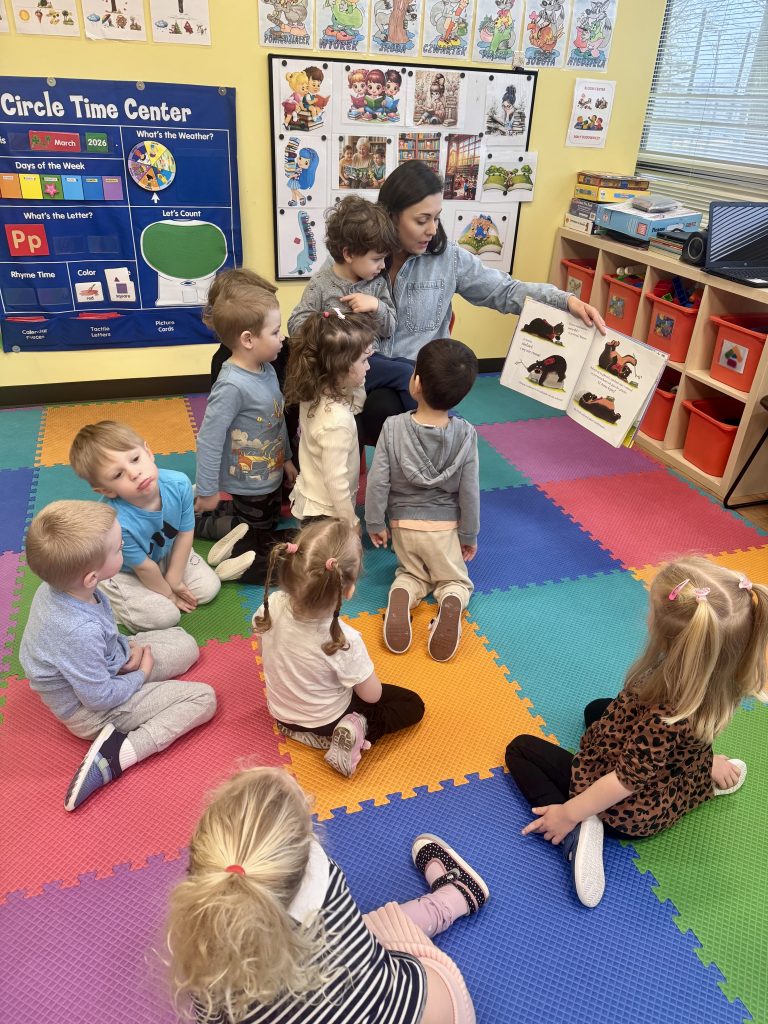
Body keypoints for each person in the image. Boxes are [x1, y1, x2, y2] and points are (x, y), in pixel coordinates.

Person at [505, 557, 767, 908]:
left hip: (627, 813)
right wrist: (708, 764)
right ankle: (701, 777)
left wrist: (571, 813)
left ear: (670, 636)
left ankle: (582, 826)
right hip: (672, 781)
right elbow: (689, 743)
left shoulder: (665, 714)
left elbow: (624, 781)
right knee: (596, 709)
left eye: (651, 611)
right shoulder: (720, 680)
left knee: (520, 749)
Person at [165, 766, 487, 1023]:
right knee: (378, 927)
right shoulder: (323, 880)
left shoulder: (199, 949)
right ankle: (453, 897)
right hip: (443, 1013)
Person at [361, 160, 606, 441]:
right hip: (364, 373)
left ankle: (429, 453)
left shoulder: (448, 258)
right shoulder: (358, 252)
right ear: (391, 216)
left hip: (421, 382)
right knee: (368, 410)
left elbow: (504, 291)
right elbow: (326, 300)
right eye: (421, 220)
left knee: (389, 407)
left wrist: (564, 301)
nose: (432, 229)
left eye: (436, 218)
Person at [19, 501, 215, 811]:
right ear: (91, 577)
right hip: (91, 711)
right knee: (203, 698)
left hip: (107, 666)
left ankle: (130, 669)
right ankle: (118, 754)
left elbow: (101, 636)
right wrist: (141, 674)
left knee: (185, 644)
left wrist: (125, 651)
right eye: (118, 548)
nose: (124, 545)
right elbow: (99, 698)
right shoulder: (77, 631)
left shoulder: (64, 586)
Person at [252, 519, 425, 776]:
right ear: (349, 590)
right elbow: (372, 695)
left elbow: (265, 647)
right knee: (411, 703)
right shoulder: (345, 640)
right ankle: (358, 730)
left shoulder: (270, 606)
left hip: (282, 714)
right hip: (328, 720)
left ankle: (301, 733)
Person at [366, 339, 479, 663]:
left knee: (410, 574)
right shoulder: (466, 434)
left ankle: (402, 593)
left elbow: (377, 481)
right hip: (444, 529)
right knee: (454, 581)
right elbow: (469, 491)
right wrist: (468, 535)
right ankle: (451, 601)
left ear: (415, 382)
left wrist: (374, 522)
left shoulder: (392, 427)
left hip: (404, 527)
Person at [70, 421, 221, 633]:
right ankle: (108, 597)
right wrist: (169, 594)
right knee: (165, 616)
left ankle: (164, 579)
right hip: (123, 569)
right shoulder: (114, 521)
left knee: (208, 589)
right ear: (106, 490)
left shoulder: (179, 484)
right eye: (118, 474)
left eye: (135, 459)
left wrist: (175, 578)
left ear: (148, 452)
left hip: (162, 552)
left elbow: (185, 533)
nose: (134, 473)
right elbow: (143, 567)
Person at [193, 276, 297, 584]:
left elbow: (277, 420)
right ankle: (194, 521)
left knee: (269, 519)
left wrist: (287, 459)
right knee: (257, 529)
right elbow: (209, 441)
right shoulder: (231, 385)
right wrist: (209, 490)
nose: (282, 338)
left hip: (270, 470)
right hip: (248, 477)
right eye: (275, 332)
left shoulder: (266, 369)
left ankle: (215, 511)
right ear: (248, 339)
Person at [284, 309, 374, 528]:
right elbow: (336, 481)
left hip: (316, 499)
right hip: (328, 512)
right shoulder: (336, 422)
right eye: (364, 361)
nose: (369, 367)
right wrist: (350, 521)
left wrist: (358, 379)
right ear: (342, 368)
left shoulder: (314, 394)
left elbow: (357, 405)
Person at [287, 194, 397, 346]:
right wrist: (327, 329)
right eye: (376, 259)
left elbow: (390, 330)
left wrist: (377, 306)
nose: (383, 265)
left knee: (404, 362)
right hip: (331, 358)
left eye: (384, 258)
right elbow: (295, 324)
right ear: (349, 254)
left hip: (370, 357)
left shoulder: (378, 285)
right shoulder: (320, 284)